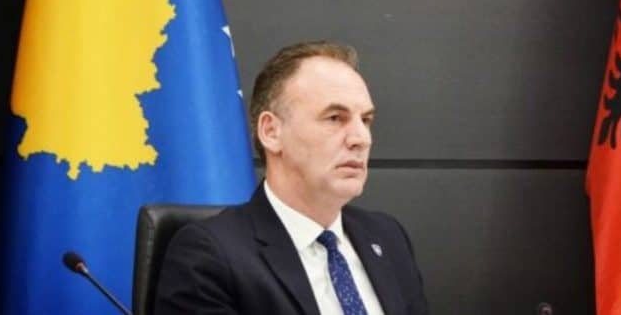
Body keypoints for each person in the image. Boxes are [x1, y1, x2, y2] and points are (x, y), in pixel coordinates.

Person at [155, 41, 429, 315]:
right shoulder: (210, 255)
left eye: (366, 120)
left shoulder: (387, 237)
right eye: (335, 118)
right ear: (271, 132)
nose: (361, 138)